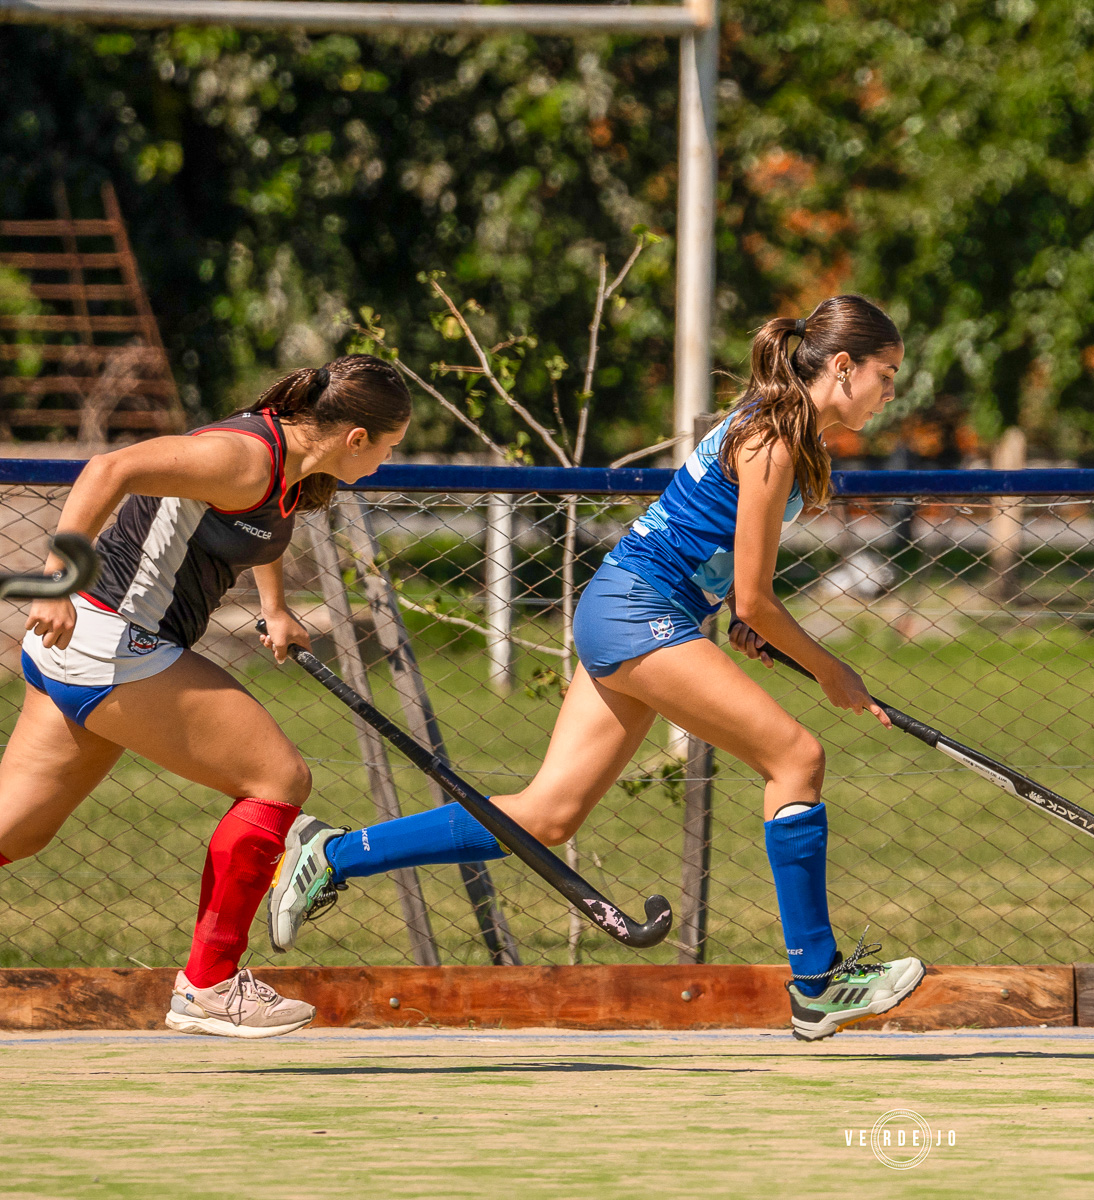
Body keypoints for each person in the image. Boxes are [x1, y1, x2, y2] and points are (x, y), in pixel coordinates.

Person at [269, 295, 925, 1041]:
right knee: (796, 758)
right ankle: (818, 983)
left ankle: (334, 854)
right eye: (886, 374)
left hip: (633, 607)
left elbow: (735, 585)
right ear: (842, 367)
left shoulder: (784, 434)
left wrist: (746, 623)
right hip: (638, 611)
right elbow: (755, 597)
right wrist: (831, 669)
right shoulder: (773, 440)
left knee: (549, 814)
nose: (890, 393)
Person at [0, 356, 412, 1038]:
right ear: (356, 438)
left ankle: (209, 987)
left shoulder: (286, 466)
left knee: (16, 831)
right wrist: (55, 582)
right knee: (279, 780)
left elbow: (259, 529)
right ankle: (209, 987)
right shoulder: (243, 457)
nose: (386, 462)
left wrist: (274, 609)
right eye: (389, 448)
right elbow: (108, 468)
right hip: (111, 641)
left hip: (90, 651)